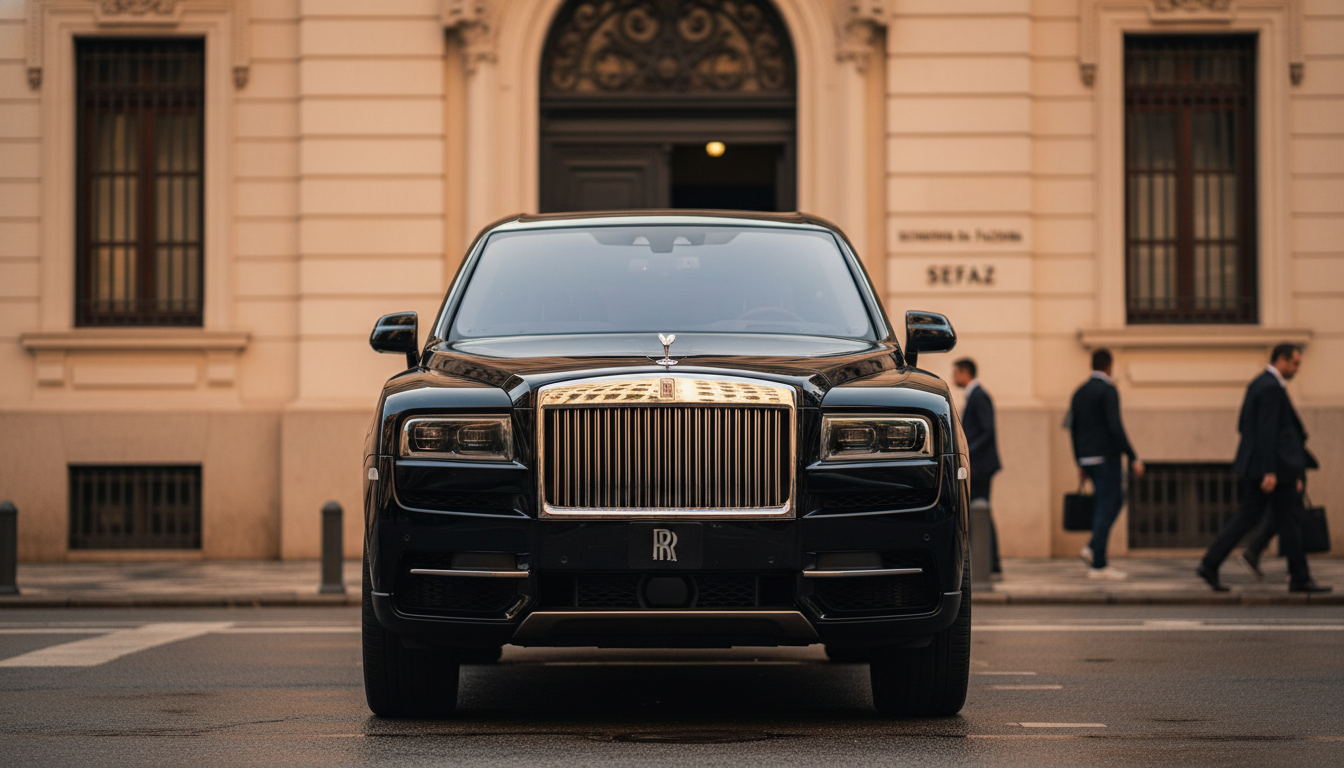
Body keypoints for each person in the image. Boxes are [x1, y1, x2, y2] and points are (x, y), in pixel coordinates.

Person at [1196, 345, 1331, 593]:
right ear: (1281, 359)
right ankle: (1299, 577)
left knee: (1264, 518)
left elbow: (1244, 426)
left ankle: (1211, 563)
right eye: (1295, 363)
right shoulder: (1270, 387)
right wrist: (1270, 470)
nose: (1297, 369)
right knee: (1284, 519)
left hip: (1264, 465)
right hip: (1273, 468)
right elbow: (1267, 431)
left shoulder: (1259, 384)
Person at [1068, 348, 1144, 580]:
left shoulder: (1079, 392)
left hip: (1087, 459)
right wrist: (1133, 456)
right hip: (1106, 458)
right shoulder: (1108, 390)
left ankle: (1098, 564)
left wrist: (1079, 462)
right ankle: (1094, 550)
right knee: (1110, 503)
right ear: (1109, 366)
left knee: (1108, 502)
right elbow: (1115, 426)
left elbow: (1073, 428)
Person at [952, 358, 1002, 579]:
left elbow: (987, 430)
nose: (954, 377)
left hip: (981, 465)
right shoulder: (974, 396)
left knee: (980, 511)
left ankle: (991, 562)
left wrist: (967, 450)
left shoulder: (979, 396)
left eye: (956, 373)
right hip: (979, 464)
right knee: (979, 511)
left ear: (965, 373)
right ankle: (990, 562)